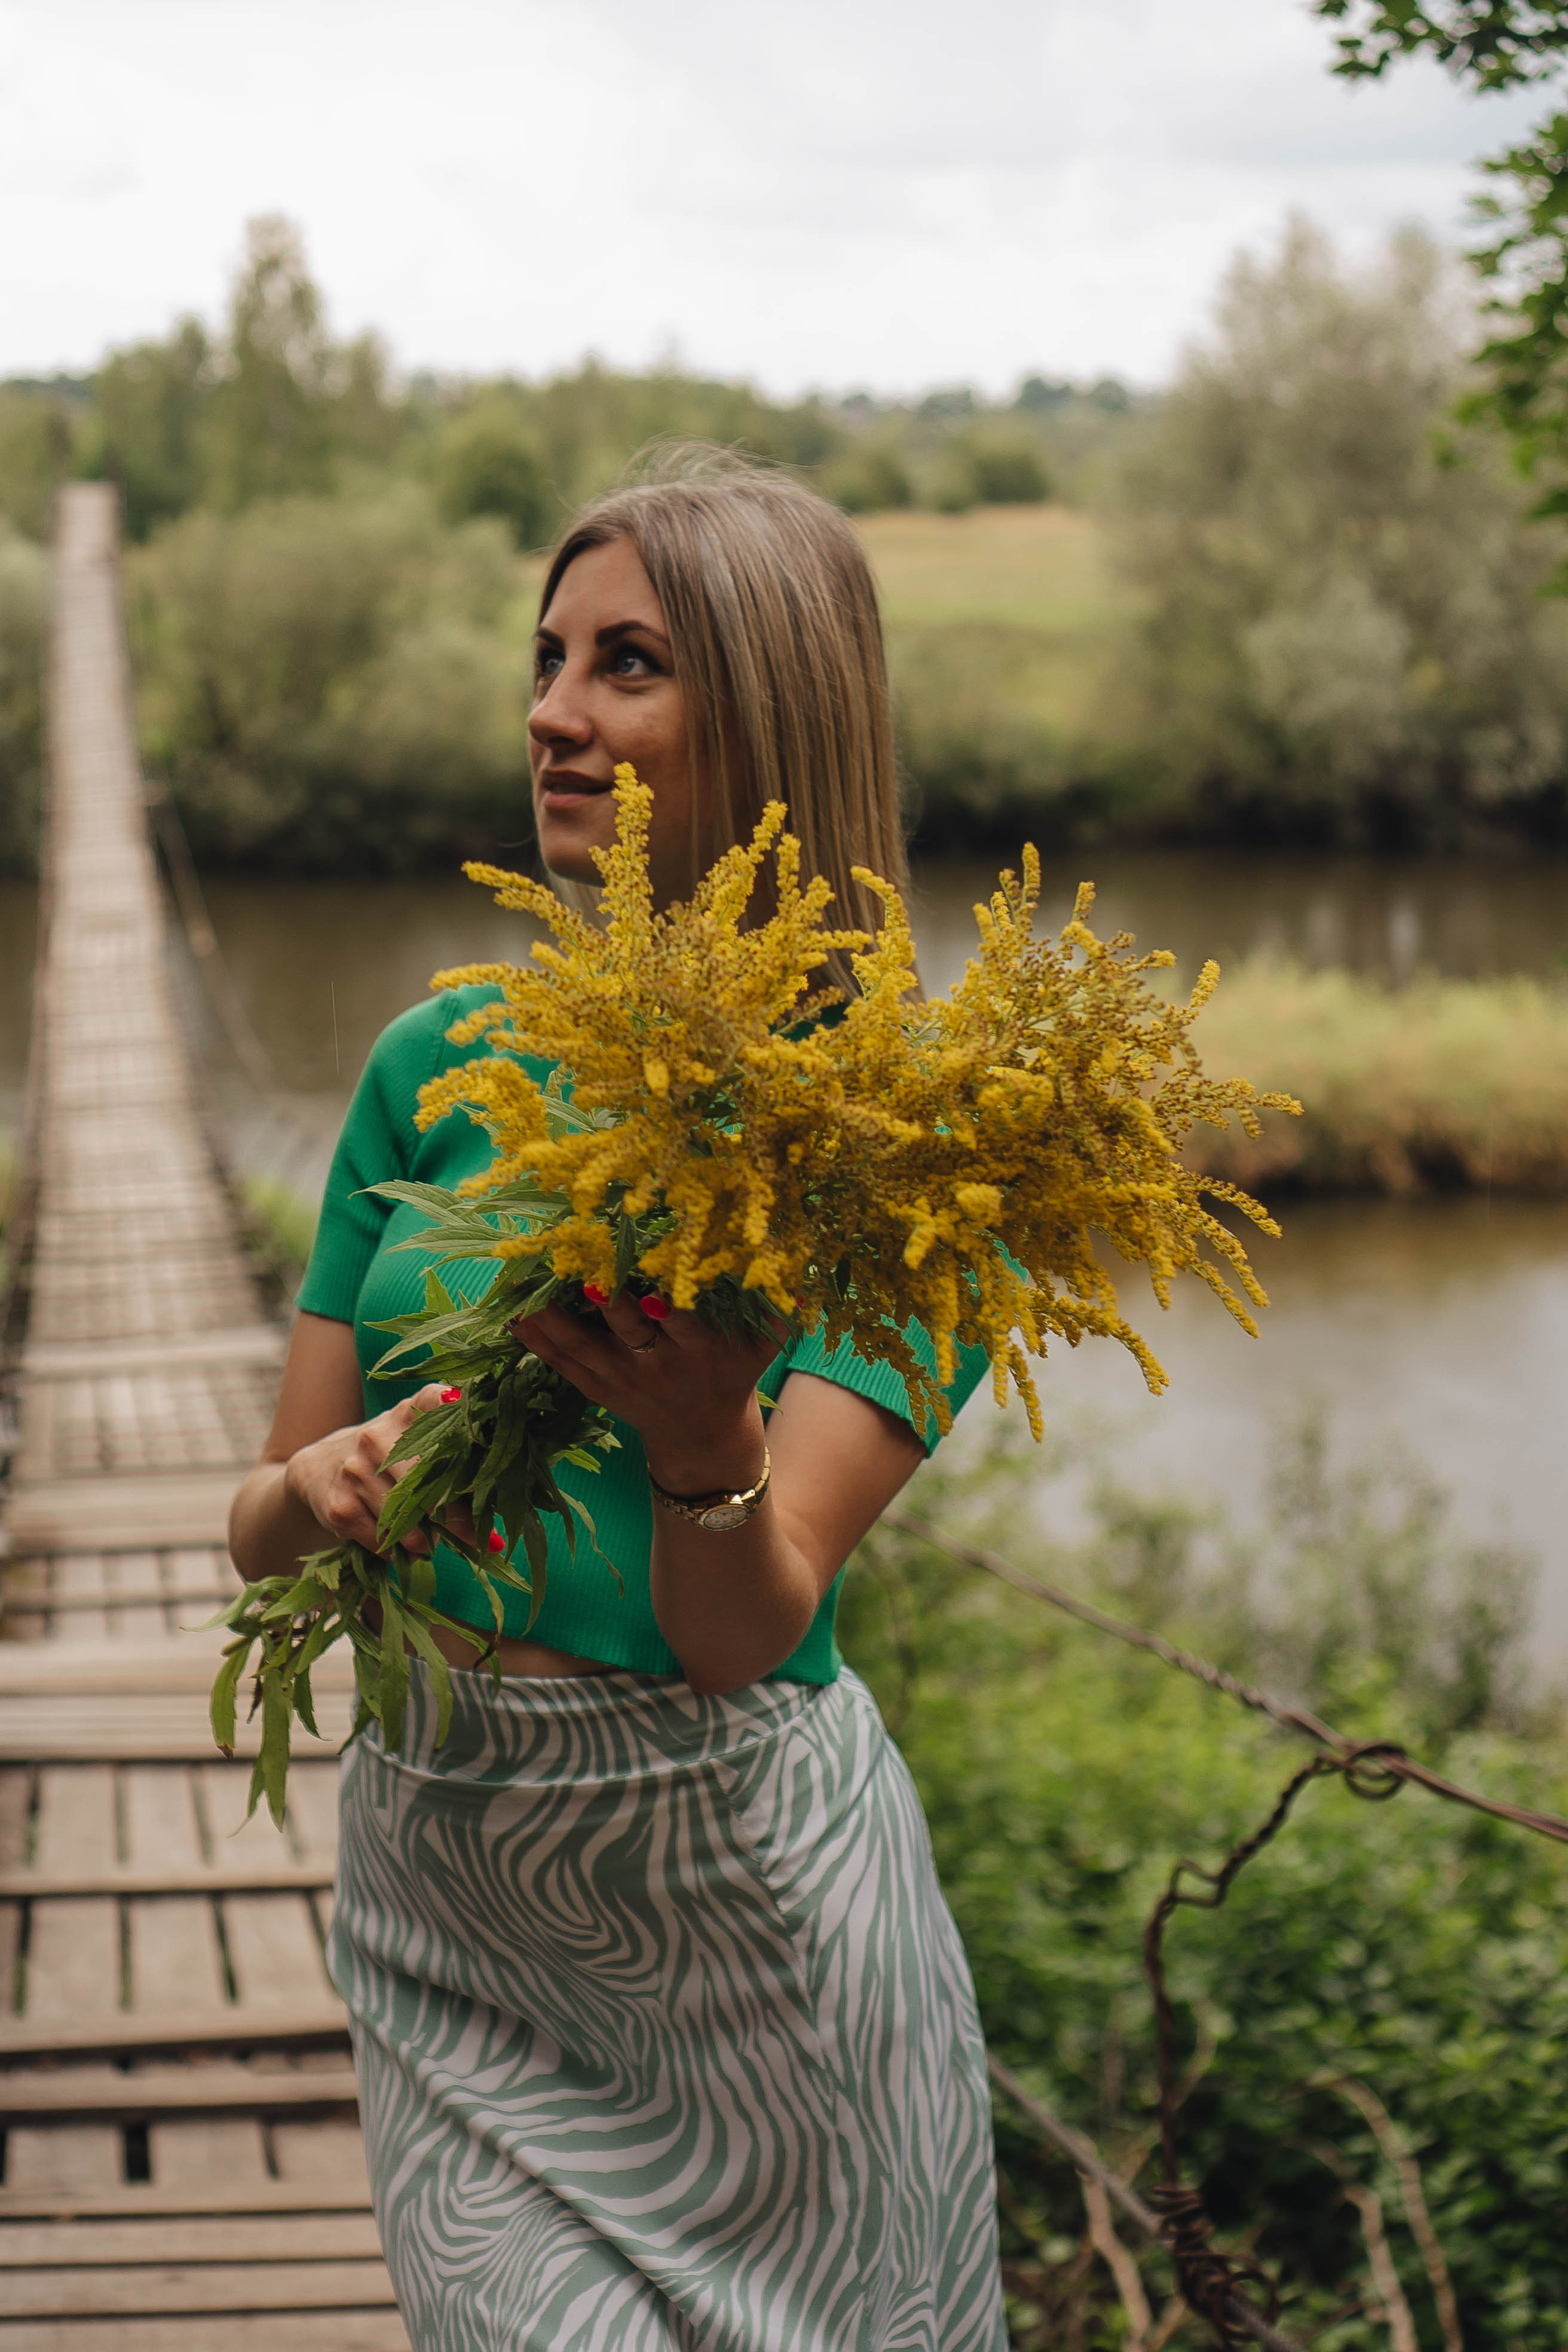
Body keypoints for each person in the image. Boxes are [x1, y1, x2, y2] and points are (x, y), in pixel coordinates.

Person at [229, 448, 1008, 2352]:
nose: (552, 712)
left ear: (776, 720)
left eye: (627, 666)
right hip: (445, 1906)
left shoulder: (909, 1143)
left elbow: (745, 1633)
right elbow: (257, 1527)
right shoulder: (433, 1064)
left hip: (744, 1922)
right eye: (548, 658)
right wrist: (321, 1492)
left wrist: (699, 1441)